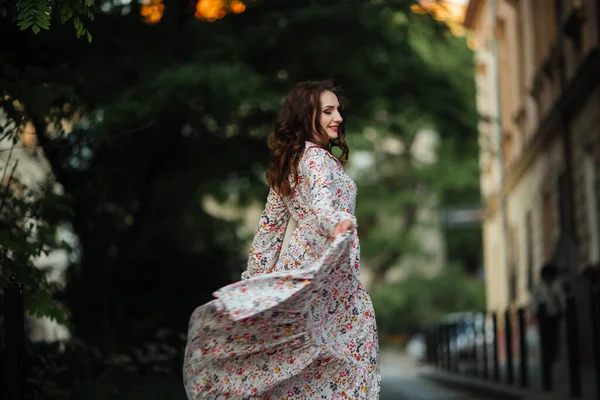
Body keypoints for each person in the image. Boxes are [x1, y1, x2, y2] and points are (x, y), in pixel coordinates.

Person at [183, 79, 381, 399]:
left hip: (301, 265)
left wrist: (254, 285)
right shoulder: (315, 159)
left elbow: (270, 230)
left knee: (295, 358)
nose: (339, 118)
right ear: (306, 116)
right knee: (348, 358)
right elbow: (322, 204)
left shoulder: (291, 160)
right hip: (319, 270)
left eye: (338, 110)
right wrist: (337, 222)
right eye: (328, 111)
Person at [531, 262, 564, 375]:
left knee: (553, 339)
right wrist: (536, 313)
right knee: (545, 340)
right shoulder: (538, 286)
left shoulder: (557, 285)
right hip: (543, 316)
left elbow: (562, 299)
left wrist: (562, 310)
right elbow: (535, 302)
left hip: (554, 316)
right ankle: (546, 364)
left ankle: (551, 359)